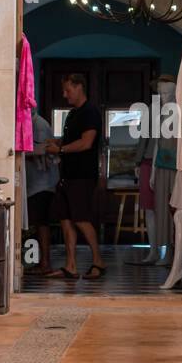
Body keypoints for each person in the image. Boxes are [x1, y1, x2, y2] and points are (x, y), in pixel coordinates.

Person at [46, 73, 106, 280]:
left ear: (79, 87)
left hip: (83, 175)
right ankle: (70, 266)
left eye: (68, 90)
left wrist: (60, 151)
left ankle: (98, 261)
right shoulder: (72, 115)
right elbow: (69, 140)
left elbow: (86, 142)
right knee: (65, 218)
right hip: (66, 175)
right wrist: (55, 143)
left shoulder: (91, 113)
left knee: (81, 218)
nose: (64, 95)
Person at [25, 111, 59, 276]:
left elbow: (44, 149)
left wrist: (21, 150)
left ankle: (45, 262)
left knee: (41, 223)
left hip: (42, 183)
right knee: (38, 222)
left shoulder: (39, 125)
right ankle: (39, 261)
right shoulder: (32, 123)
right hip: (37, 183)